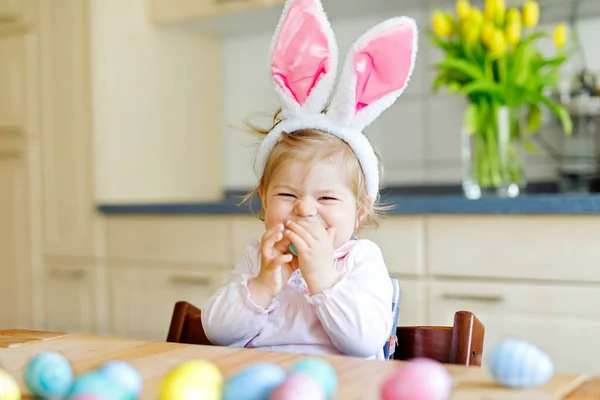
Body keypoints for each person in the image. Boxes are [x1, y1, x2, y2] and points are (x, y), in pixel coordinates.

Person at [201, 0, 418, 360]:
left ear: (359, 213)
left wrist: (322, 277)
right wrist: (262, 284)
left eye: (327, 199)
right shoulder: (260, 258)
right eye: (287, 194)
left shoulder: (359, 259)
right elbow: (217, 333)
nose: (304, 209)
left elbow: (365, 343)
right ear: (265, 200)